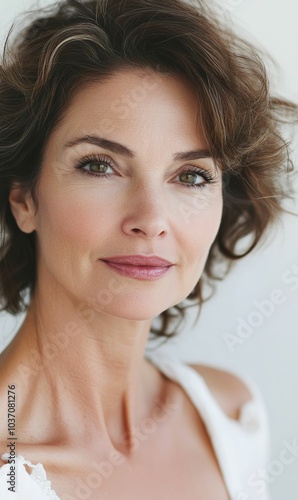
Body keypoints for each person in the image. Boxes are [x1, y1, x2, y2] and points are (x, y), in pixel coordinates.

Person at [0, 0, 296, 498]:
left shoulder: (231, 414)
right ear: (25, 199)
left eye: (191, 176)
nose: (152, 220)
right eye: (99, 166)